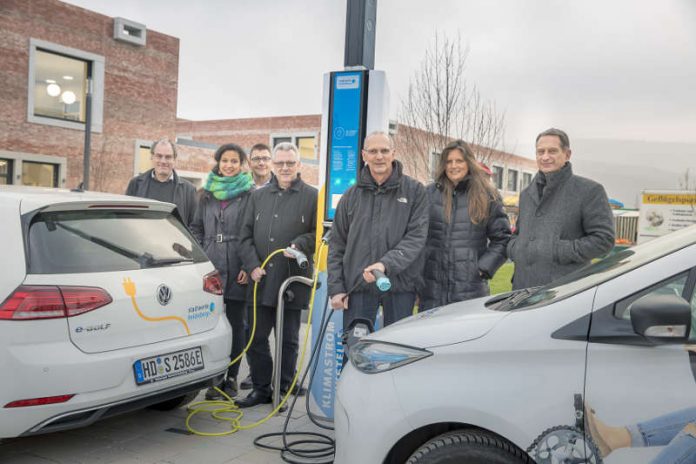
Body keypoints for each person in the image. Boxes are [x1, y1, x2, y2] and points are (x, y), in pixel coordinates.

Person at [236, 142, 317, 408]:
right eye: (280, 163)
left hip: (291, 279)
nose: (284, 168)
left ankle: (284, 385)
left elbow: (320, 235)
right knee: (255, 338)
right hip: (260, 281)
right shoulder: (257, 196)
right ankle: (261, 388)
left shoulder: (312, 196)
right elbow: (244, 236)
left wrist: (300, 244)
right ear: (273, 165)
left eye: (290, 163)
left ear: (298, 165)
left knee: (289, 340)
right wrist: (252, 265)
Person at [328, 131, 428, 333]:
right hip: (359, 287)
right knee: (355, 351)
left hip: (400, 287)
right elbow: (337, 245)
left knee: (397, 352)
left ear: (393, 153)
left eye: (384, 150)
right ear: (364, 155)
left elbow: (416, 238)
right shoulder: (350, 196)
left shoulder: (415, 191)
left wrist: (385, 265)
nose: (379, 156)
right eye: (373, 151)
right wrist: (337, 288)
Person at [507, 128, 614, 290]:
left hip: (563, 292)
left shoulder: (589, 190)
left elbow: (603, 240)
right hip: (521, 290)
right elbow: (518, 234)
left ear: (567, 154)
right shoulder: (526, 194)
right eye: (540, 151)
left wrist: (557, 250)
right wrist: (515, 249)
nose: (545, 157)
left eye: (552, 151)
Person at [190, 143, 254, 400]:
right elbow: (195, 228)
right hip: (211, 267)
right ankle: (212, 377)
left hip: (238, 266)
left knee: (237, 325)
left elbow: (252, 233)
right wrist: (202, 259)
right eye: (225, 160)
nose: (229, 165)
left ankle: (230, 378)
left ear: (241, 165)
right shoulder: (205, 194)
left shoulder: (249, 195)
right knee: (210, 322)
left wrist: (247, 267)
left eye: (234, 161)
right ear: (218, 162)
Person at [419, 140, 511, 310]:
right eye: (449, 161)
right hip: (432, 290)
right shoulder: (429, 194)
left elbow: (503, 239)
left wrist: (483, 268)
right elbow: (417, 237)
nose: (454, 166)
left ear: (469, 163)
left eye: (459, 161)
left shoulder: (487, 195)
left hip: (470, 290)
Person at [239, 143, 274, 391]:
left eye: (265, 158)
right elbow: (241, 229)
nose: (261, 162)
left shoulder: (281, 187)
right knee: (253, 329)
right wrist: (246, 264)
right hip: (250, 268)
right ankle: (255, 374)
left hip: (276, 268)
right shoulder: (242, 190)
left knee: (285, 332)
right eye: (256, 158)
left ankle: (284, 376)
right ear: (249, 162)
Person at [125, 138, 197, 227]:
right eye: (159, 156)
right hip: (142, 240)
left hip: (174, 241)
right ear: (152, 157)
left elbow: (194, 226)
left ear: (174, 159)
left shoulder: (189, 190)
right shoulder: (135, 184)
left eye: (168, 157)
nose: (163, 161)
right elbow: (127, 219)